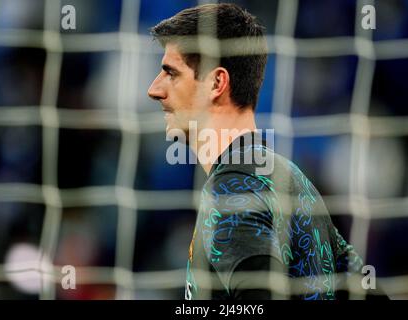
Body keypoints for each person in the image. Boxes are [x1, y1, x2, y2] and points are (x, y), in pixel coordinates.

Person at [147, 3, 382, 300]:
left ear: (216, 83)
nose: (154, 89)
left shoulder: (229, 192)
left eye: (171, 73)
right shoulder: (292, 179)